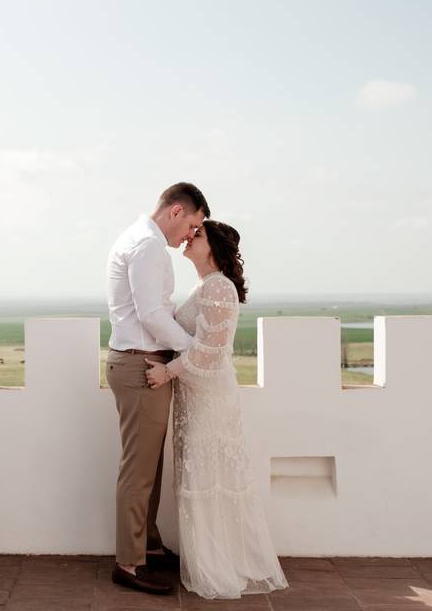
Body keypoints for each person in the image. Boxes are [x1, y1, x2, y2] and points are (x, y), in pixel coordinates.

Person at [144, 220, 290, 599]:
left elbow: (211, 351)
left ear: (214, 248)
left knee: (209, 478)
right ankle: (208, 558)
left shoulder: (220, 288)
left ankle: (219, 566)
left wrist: (168, 372)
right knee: (199, 476)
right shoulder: (205, 286)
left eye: (199, 235)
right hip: (195, 397)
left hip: (209, 400)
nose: (190, 238)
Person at [105, 182, 209, 595]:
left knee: (150, 466)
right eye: (193, 225)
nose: (190, 235)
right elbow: (151, 314)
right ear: (177, 210)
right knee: (138, 468)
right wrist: (194, 350)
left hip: (142, 361)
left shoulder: (143, 240)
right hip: (139, 364)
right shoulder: (147, 246)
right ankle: (128, 564)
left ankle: (146, 545)